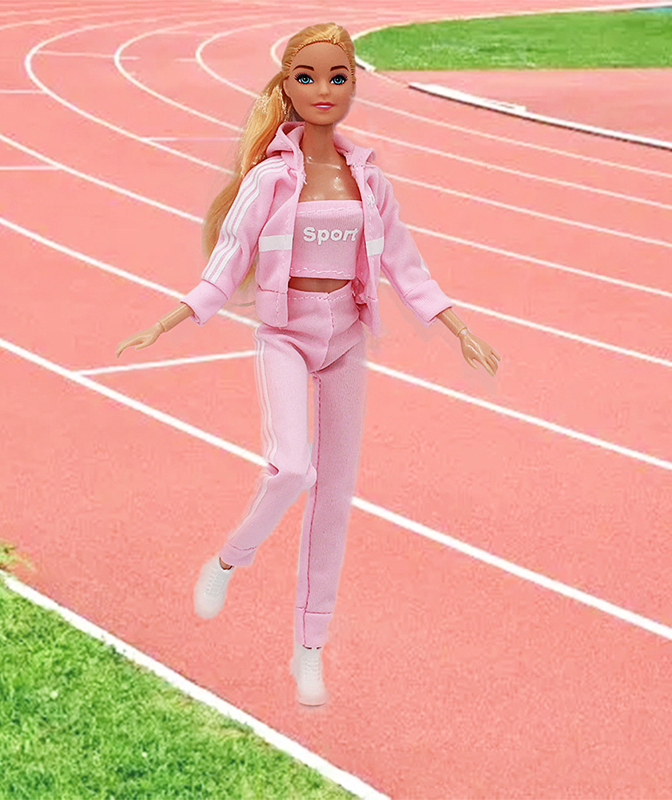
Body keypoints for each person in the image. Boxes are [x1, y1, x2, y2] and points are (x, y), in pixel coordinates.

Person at [116, 22, 500, 706]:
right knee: (292, 468)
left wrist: (458, 326)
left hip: (346, 340)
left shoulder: (369, 179)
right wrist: (171, 318)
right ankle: (230, 558)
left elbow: (405, 264)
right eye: (307, 77)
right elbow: (229, 259)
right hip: (286, 337)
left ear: (353, 84)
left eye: (338, 77)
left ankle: (309, 650)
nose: (324, 89)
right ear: (287, 87)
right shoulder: (270, 179)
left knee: (334, 500)